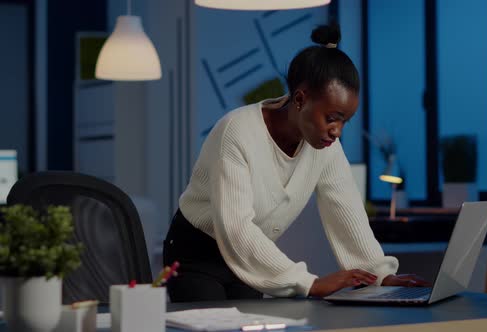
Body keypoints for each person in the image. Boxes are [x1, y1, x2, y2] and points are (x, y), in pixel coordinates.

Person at [163, 23, 428, 302]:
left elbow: (346, 211)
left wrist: (380, 275)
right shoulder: (237, 132)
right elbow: (237, 228)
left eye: (344, 121)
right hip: (196, 255)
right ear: (300, 99)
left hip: (250, 259)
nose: (337, 131)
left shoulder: (326, 146)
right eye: (331, 117)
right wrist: (309, 283)